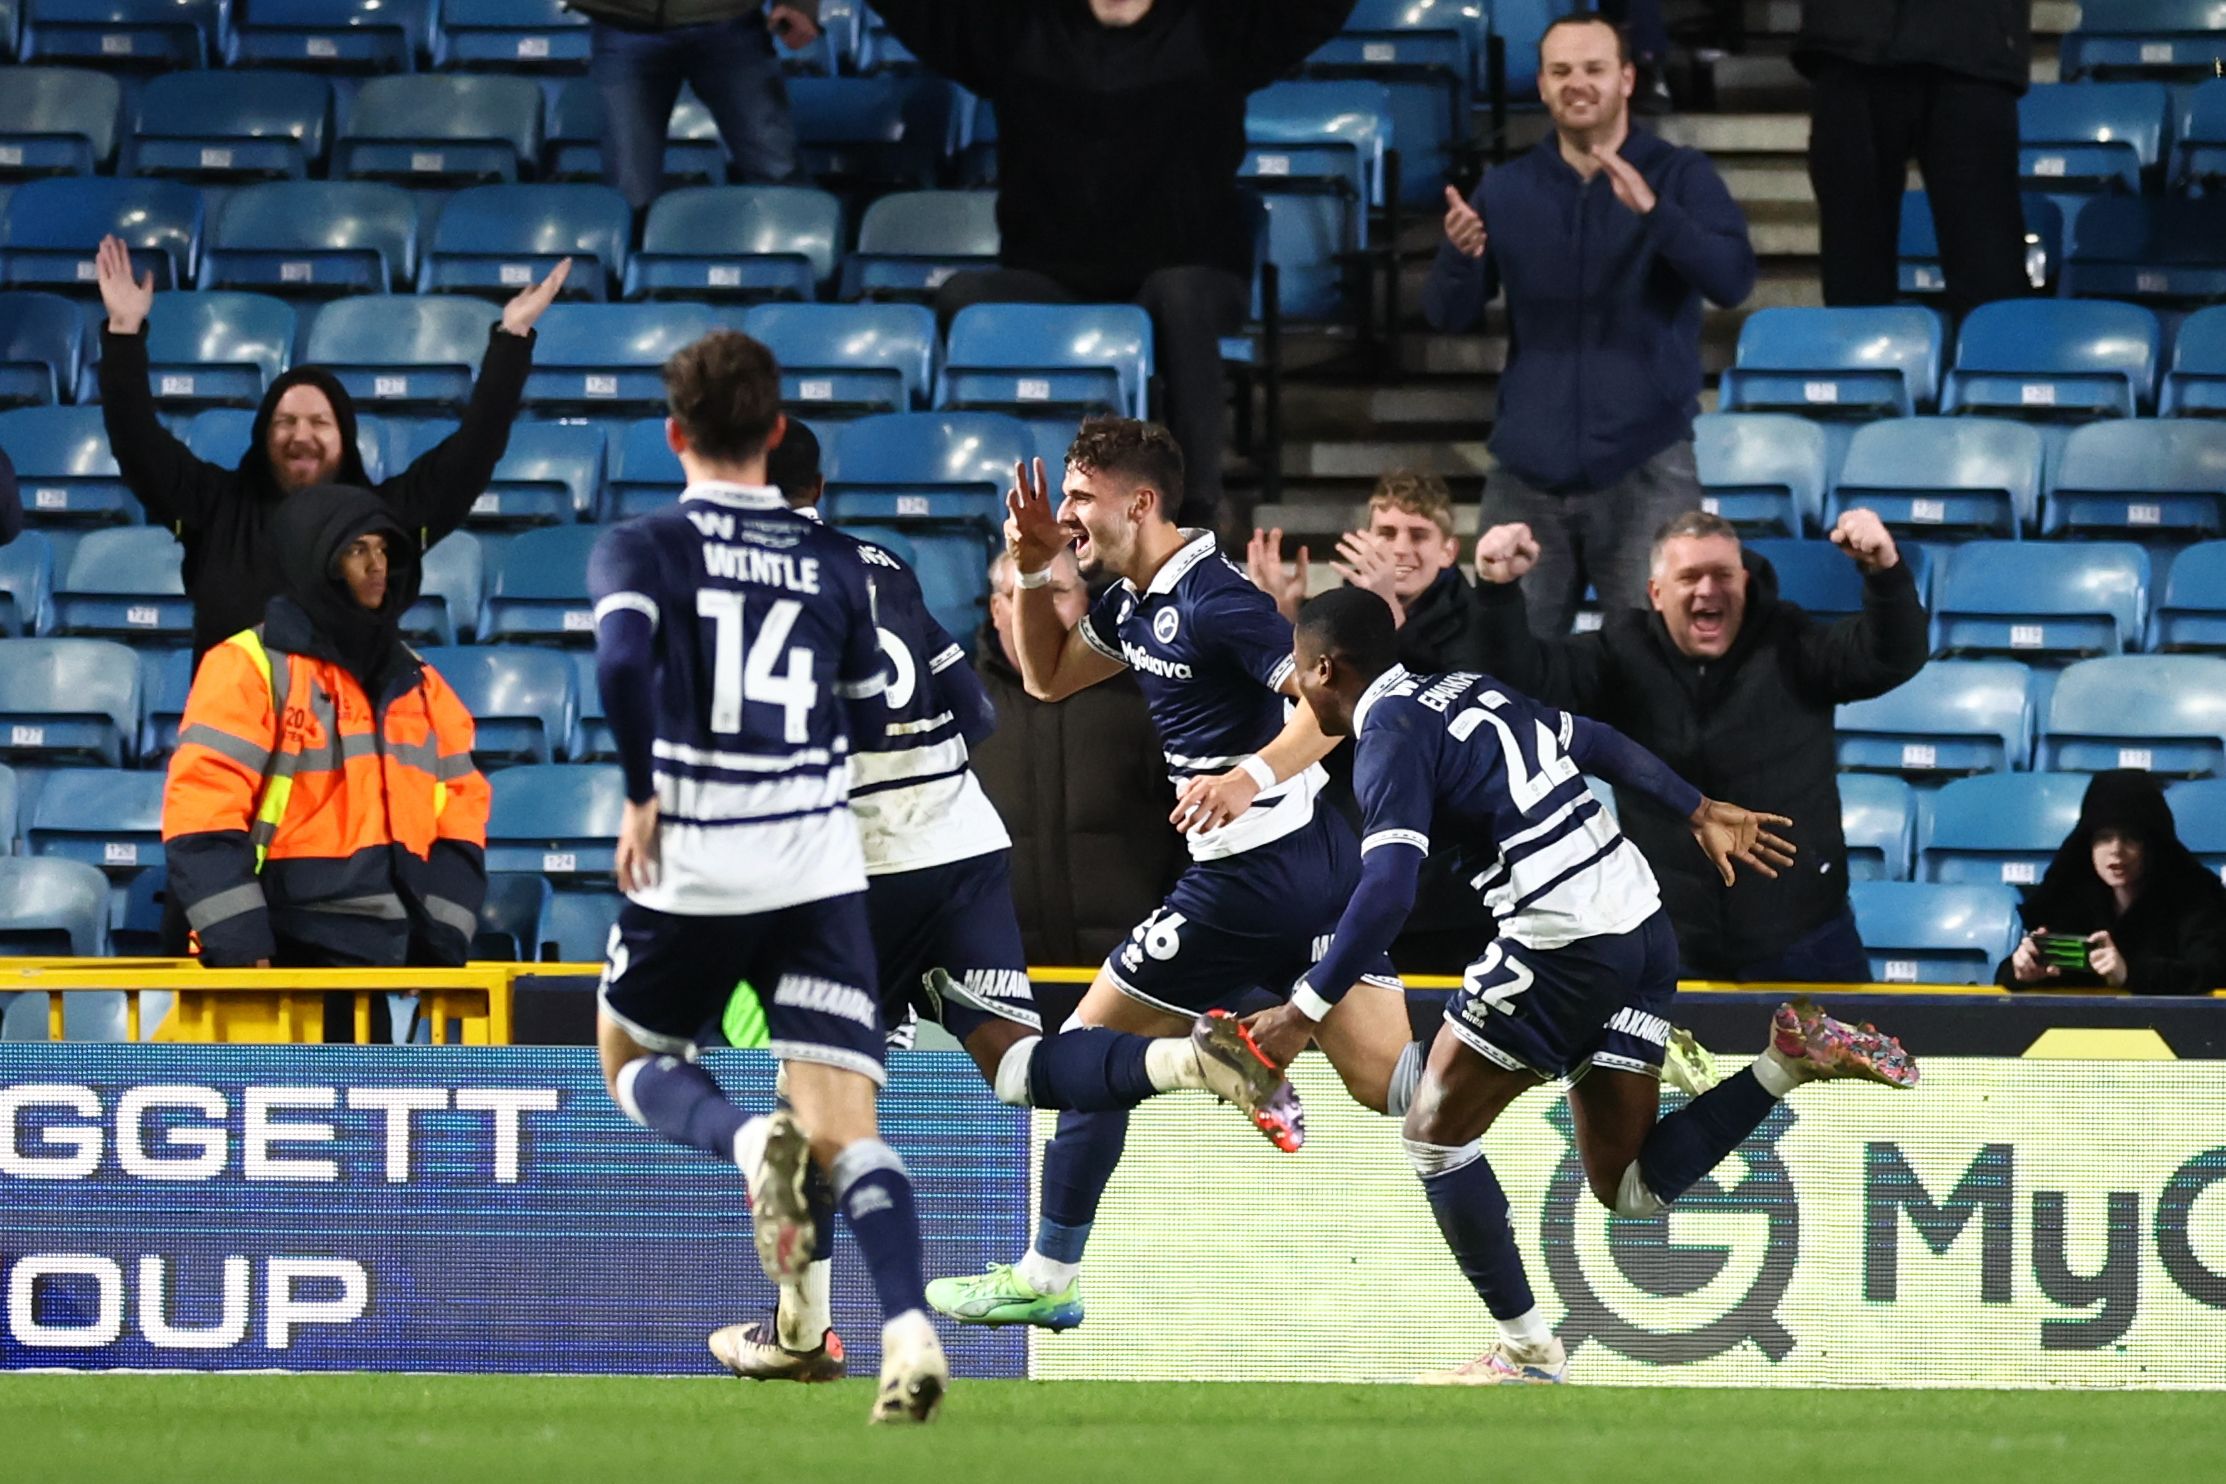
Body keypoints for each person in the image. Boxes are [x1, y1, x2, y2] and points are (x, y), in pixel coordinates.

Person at [708, 417, 1295, 1383]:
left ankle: (801, 1343)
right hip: (967, 843)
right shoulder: (884, 565)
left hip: (859, 870)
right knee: (1019, 1064)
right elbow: (975, 706)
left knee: (796, 1121)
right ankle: (1191, 1062)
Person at [1245, 588, 1917, 1384]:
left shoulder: (1388, 734)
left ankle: (1529, 1353)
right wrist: (1693, 806)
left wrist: (1304, 1010)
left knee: (1434, 1135)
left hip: (1560, 944)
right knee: (1631, 1188)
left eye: (1294, 667)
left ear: (1326, 668)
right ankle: (1786, 1060)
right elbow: (1591, 738)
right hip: (1640, 926)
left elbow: (1388, 891)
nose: (1289, 687)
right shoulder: (1469, 688)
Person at [926, 415, 1428, 1334]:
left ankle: (1051, 1270)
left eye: (1080, 498)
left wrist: (1245, 776)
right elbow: (1044, 677)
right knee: (1393, 1082)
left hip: (1251, 877)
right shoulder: (1132, 602)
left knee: (1077, 1055)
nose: (1069, 512)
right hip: (1320, 862)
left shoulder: (1216, 602)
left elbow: (1332, 705)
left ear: (1141, 502)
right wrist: (1039, 565)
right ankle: (1574, 1037)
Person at [584, 330, 955, 1423]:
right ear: (777, 432)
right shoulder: (838, 562)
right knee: (849, 1122)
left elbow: (618, 662)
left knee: (633, 1049)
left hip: (701, 843)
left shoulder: (645, 545)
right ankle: (908, 1327)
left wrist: (641, 788)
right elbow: (866, 706)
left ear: (674, 433)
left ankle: (749, 1144)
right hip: (821, 859)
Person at [860, 0, 1361, 530]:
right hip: (1055, 274)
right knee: (965, 298)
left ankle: (1194, 514)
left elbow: (1312, 13)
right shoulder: (1021, 29)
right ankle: (993, 505)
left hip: (1188, 270)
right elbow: (925, 16)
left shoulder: (1215, 26)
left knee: (1179, 297)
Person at [1469, 507, 1927, 984]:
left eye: (1723, 574)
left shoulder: (1790, 641)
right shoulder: (1620, 652)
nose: (1708, 590)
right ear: (1656, 594)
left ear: (1745, 582)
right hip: (1671, 943)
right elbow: (1521, 683)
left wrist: (1885, 571)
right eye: (1689, 576)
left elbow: (1891, 655)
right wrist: (1496, 593)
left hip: (1808, 937)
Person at [1423, 14, 1755, 637]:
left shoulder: (1679, 174)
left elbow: (1732, 280)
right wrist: (1459, 260)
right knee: (1503, 666)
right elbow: (1448, 316)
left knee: (1661, 663)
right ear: (1543, 87)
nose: (1578, 84)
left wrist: (1656, 215)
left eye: (1594, 69)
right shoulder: (1507, 185)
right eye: (1561, 71)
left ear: (1627, 79)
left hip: (1647, 465)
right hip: (1526, 474)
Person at [93, 235, 565, 667]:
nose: (302, 436)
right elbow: (137, 442)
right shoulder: (215, 508)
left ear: (345, 439)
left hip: (345, 753)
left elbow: (472, 455)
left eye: (320, 422)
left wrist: (511, 341)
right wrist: (123, 331)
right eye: (285, 422)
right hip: (231, 752)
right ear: (262, 435)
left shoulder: (381, 519)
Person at [161, 485, 490, 1043]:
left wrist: (438, 948)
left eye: (383, 549)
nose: (376, 566)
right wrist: (241, 943)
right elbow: (201, 815)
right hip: (272, 964)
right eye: (355, 549)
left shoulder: (426, 687)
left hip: (374, 973)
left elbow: (462, 827)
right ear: (314, 556)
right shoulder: (247, 667)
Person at [1247, 470, 1501, 970]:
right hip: (1359, 878)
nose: (1401, 548)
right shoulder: (1330, 623)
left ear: (1449, 551)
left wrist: (1386, 618)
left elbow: (1449, 724)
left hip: (1455, 897)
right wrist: (1279, 618)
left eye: (1419, 535)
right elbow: (1318, 730)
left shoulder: (1481, 622)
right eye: (1387, 533)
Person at [976, 545, 1186, 977]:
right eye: (1020, 595)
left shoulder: (1146, 698)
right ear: (997, 609)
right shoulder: (962, 706)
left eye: (1055, 591)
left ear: (1084, 601)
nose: (1037, 608)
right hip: (999, 976)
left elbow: (1191, 828)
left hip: (1132, 974)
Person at [1794, 0, 2030, 319]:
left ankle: (1994, 365)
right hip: (1849, 39)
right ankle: (1860, 366)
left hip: (1974, 44)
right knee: (1853, 275)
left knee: (1989, 272)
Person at [572, 0, 823, 215]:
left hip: (730, 20)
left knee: (776, 169)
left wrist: (797, 3)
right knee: (628, 189)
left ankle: (804, 263)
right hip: (623, 19)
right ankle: (639, 270)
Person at [1999, 771, 2226, 996]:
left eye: (2131, 837)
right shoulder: (2068, 895)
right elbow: (2011, 974)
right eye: (2104, 838)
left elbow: (2211, 971)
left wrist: (2130, 972)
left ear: (2151, 844)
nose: (2116, 850)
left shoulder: (2194, 897)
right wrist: (2022, 970)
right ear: (2088, 844)